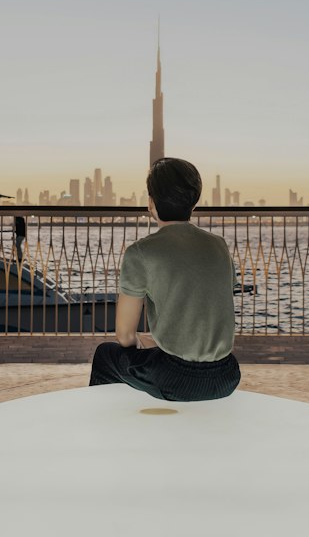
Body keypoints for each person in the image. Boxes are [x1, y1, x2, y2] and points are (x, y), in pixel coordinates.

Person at [88, 156, 241, 402]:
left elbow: (124, 336)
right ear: (193, 204)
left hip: (176, 379)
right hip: (227, 375)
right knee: (153, 356)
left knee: (106, 355)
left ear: (151, 203)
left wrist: (141, 340)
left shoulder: (141, 252)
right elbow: (203, 312)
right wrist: (156, 341)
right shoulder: (219, 245)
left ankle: (109, 431)